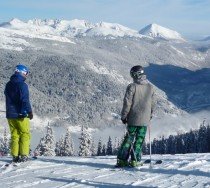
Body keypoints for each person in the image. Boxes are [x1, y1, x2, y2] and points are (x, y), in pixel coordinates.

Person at [116, 65, 155, 167]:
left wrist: (124, 116)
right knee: (139, 139)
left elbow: (127, 103)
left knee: (128, 139)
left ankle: (122, 160)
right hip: (145, 119)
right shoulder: (150, 87)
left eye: (132, 74)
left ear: (136, 74)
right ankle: (135, 160)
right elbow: (153, 103)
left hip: (133, 118)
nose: (132, 76)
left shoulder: (132, 87)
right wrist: (150, 114)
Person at [4, 64, 33, 163]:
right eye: (26, 73)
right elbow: (24, 100)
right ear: (23, 72)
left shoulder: (8, 84)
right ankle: (24, 155)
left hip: (10, 115)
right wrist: (29, 111)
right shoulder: (23, 85)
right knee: (25, 134)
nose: (26, 75)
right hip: (21, 114)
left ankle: (15, 156)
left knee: (14, 135)